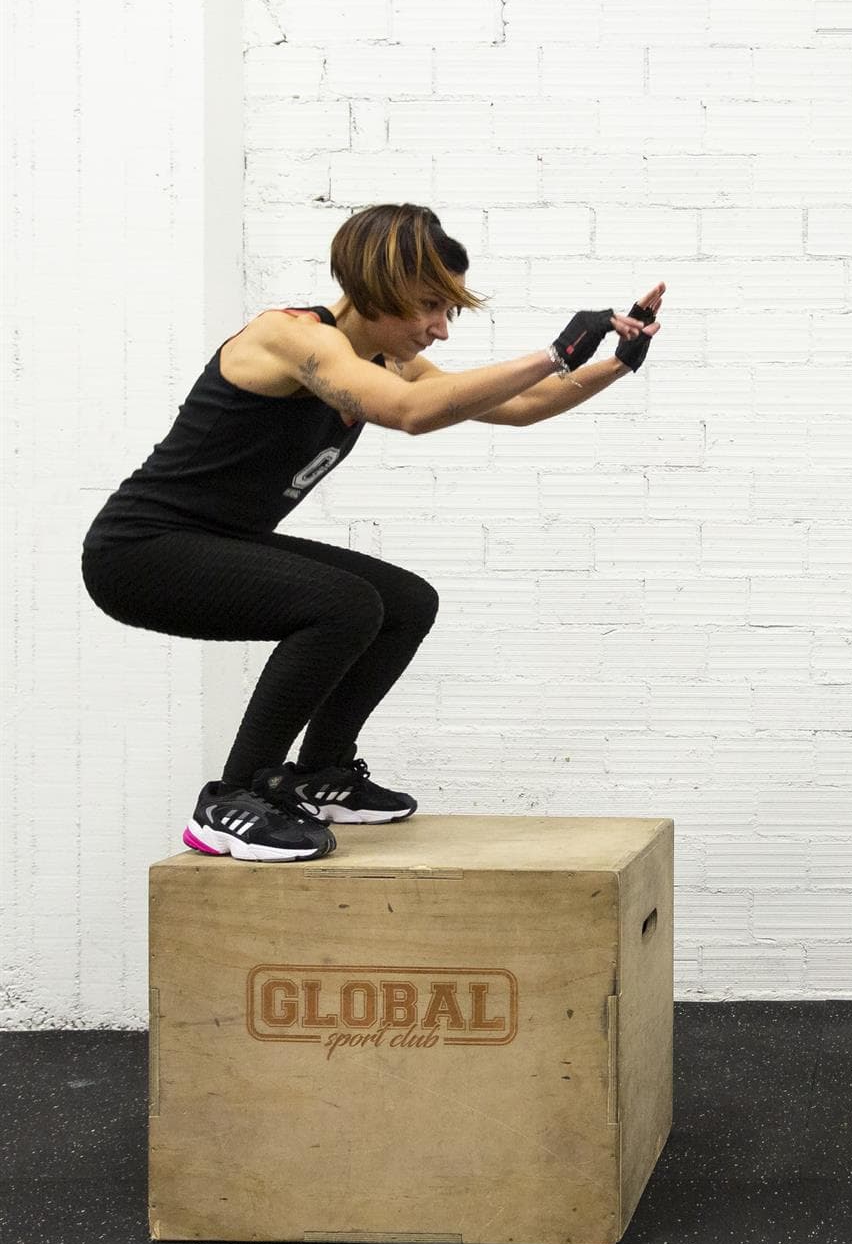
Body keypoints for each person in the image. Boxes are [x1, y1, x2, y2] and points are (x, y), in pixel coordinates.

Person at [82, 203, 663, 863]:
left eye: (451, 313)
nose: (441, 330)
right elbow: (411, 415)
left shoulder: (385, 360)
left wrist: (618, 362)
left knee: (406, 602)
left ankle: (319, 773)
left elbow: (522, 406)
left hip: (218, 542)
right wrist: (554, 353)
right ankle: (231, 798)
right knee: (343, 604)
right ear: (378, 285)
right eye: (429, 307)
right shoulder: (292, 338)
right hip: (139, 551)